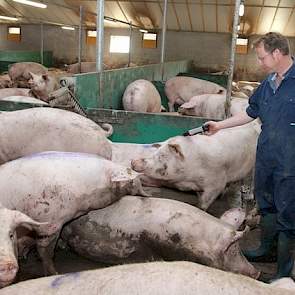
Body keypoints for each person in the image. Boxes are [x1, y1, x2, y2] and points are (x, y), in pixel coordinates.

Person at [205, 32, 295, 281]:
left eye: (262, 57)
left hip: (291, 161)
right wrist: (220, 126)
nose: (259, 62)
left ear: (277, 54)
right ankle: (267, 250)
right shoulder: (267, 84)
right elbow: (251, 112)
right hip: (266, 156)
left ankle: (284, 273)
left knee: (288, 213)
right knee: (267, 205)